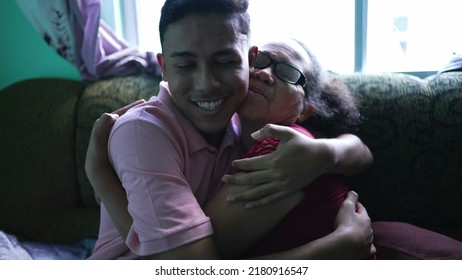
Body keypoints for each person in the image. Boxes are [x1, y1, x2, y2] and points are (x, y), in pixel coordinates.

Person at [85, 0, 374, 260]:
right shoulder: (143, 132)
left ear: (247, 60)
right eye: (185, 65)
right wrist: (337, 249)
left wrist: (327, 153)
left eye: (224, 62)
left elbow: (359, 151)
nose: (206, 84)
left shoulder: (250, 129)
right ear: (164, 67)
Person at [203, 39, 366, 258]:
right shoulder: (218, 126)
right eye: (259, 60)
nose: (264, 74)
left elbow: (196, 260)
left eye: (288, 73)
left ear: (304, 112)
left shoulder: (282, 147)